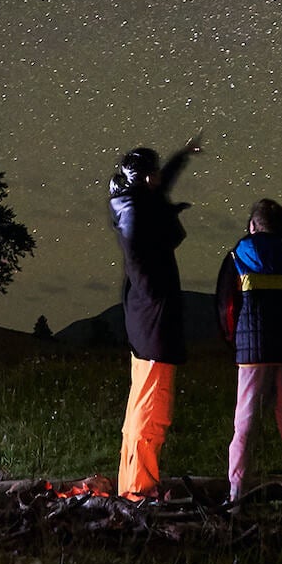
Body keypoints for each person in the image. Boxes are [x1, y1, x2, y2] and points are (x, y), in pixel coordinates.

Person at [108, 136, 199, 500]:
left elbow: (159, 193)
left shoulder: (135, 205)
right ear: (146, 179)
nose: (162, 178)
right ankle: (139, 492)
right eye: (157, 173)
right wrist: (169, 215)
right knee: (151, 411)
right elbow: (149, 246)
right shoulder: (138, 216)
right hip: (154, 325)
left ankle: (131, 485)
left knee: (141, 406)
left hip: (144, 322)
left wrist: (181, 156)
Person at [217, 198, 282, 504]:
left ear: (253, 225)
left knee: (244, 425)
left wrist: (235, 341)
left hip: (251, 355)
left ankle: (236, 495)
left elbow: (227, 307)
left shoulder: (237, 257)